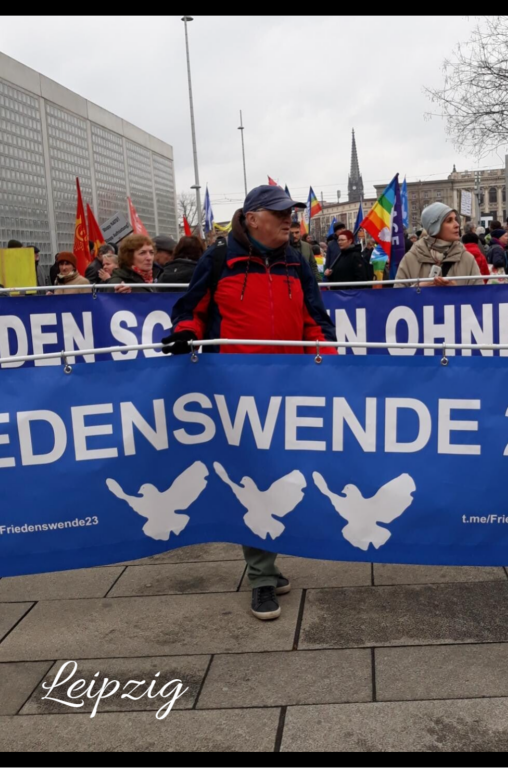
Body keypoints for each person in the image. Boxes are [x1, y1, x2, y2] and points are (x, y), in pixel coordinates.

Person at [161, 184, 337, 621]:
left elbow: (317, 319)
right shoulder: (219, 259)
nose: (288, 220)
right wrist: (186, 332)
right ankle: (260, 576)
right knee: (256, 476)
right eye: (279, 214)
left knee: (285, 475)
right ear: (252, 217)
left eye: (290, 213)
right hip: (237, 391)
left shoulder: (298, 261)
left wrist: (327, 362)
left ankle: (267, 563)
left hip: (292, 387)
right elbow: (190, 308)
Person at [395, 203, 483, 287]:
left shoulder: (467, 259)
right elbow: (397, 298)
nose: (457, 225)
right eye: (449, 221)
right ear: (434, 227)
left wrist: (457, 291)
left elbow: (480, 297)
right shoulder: (410, 259)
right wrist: (418, 289)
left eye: (456, 219)